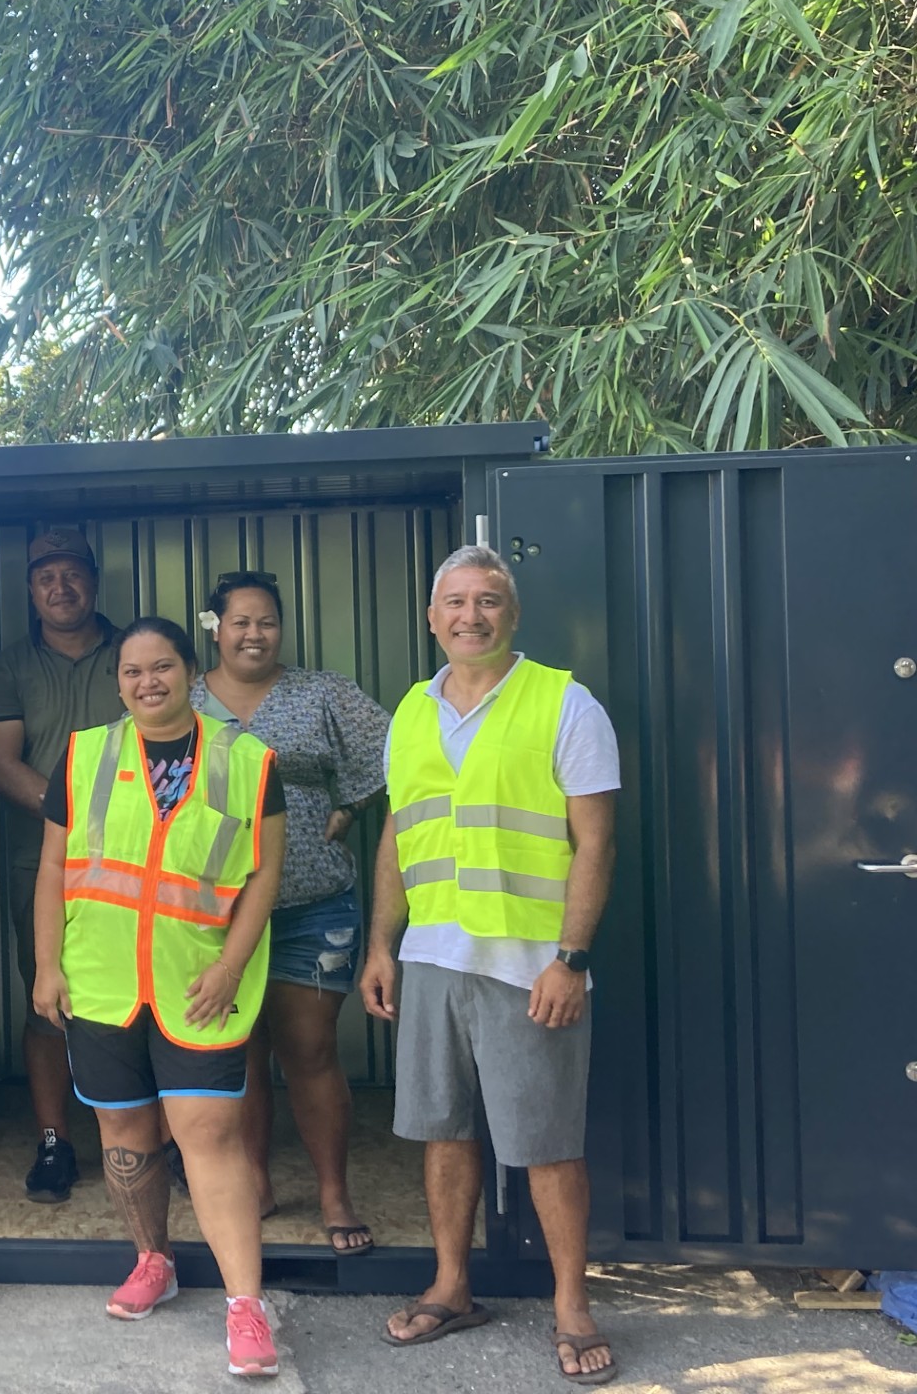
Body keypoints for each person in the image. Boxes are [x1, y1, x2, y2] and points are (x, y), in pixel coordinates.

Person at [359, 545, 621, 1385]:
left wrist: (570, 960)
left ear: (513, 614)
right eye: (456, 602)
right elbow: (400, 837)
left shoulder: (566, 703)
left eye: (489, 601)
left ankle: (572, 1306)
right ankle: (452, 1287)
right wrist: (381, 946)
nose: (471, 616)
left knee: (547, 1144)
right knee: (442, 1133)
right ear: (431, 617)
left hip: (530, 966)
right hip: (432, 955)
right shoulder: (408, 711)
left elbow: (595, 843)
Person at [33, 616, 288, 1378]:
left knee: (210, 1137)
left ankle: (246, 1305)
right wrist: (47, 966)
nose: (149, 682)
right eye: (133, 671)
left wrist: (232, 968)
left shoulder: (248, 760)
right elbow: (53, 870)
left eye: (164, 667)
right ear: (118, 682)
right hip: (104, 983)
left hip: (198, 983)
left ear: (190, 672)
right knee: (126, 1140)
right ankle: (153, 1260)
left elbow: (264, 876)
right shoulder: (82, 756)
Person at [190, 571, 390, 1254]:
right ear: (214, 626)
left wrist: (353, 805)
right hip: (214, 913)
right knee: (237, 1053)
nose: (254, 634)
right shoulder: (183, 699)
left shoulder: (321, 692)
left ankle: (334, 1193)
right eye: (240, 621)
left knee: (309, 1050)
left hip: (313, 904)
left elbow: (397, 753)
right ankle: (255, 1181)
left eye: (267, 621)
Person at [0, 527, 124, 1202]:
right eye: (45, 578)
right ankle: (55, 1141)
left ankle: (157, 1143)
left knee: (138, 996)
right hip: (39, 863)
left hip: (139, 866)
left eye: (72, 574)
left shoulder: (135, 654)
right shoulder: (9, 665)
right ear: (30, 590)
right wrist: (78, 823)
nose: (60, 589)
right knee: (47, 1002)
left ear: (93, 579)